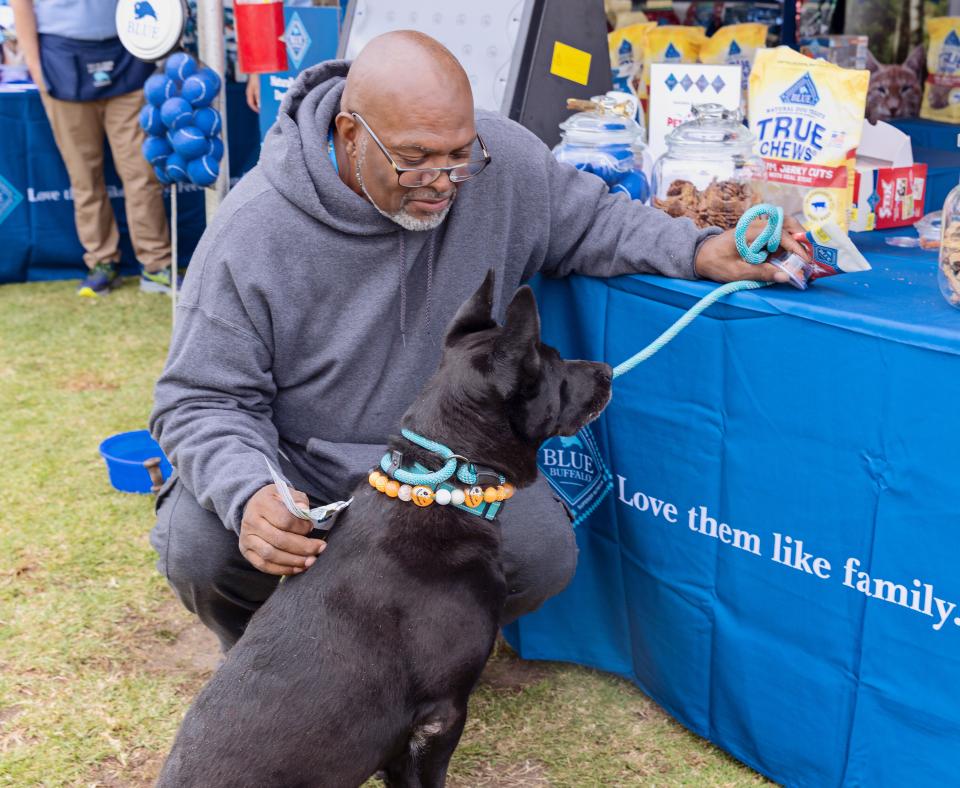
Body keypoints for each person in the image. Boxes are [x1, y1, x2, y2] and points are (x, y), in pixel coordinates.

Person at [150, 31, 805, 654]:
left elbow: (596, 221)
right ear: (351, 136)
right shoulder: (253, 230)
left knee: (538, 554)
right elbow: (199, 401)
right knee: (201, 546)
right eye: (415, 161)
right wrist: (252, 494)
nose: (445, 180)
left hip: (446, 473)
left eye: (460, 154)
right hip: (305, 477)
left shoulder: (499, 160)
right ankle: (274, 654)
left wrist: (702, 250)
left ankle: (416, 653)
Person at [11, 0, 175, 297]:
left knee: (141, 170)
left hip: (129, 51)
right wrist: (35, 67)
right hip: (61, 57)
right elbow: (21, 5)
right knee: (83, 175)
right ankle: (101, 262)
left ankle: (156, 264)